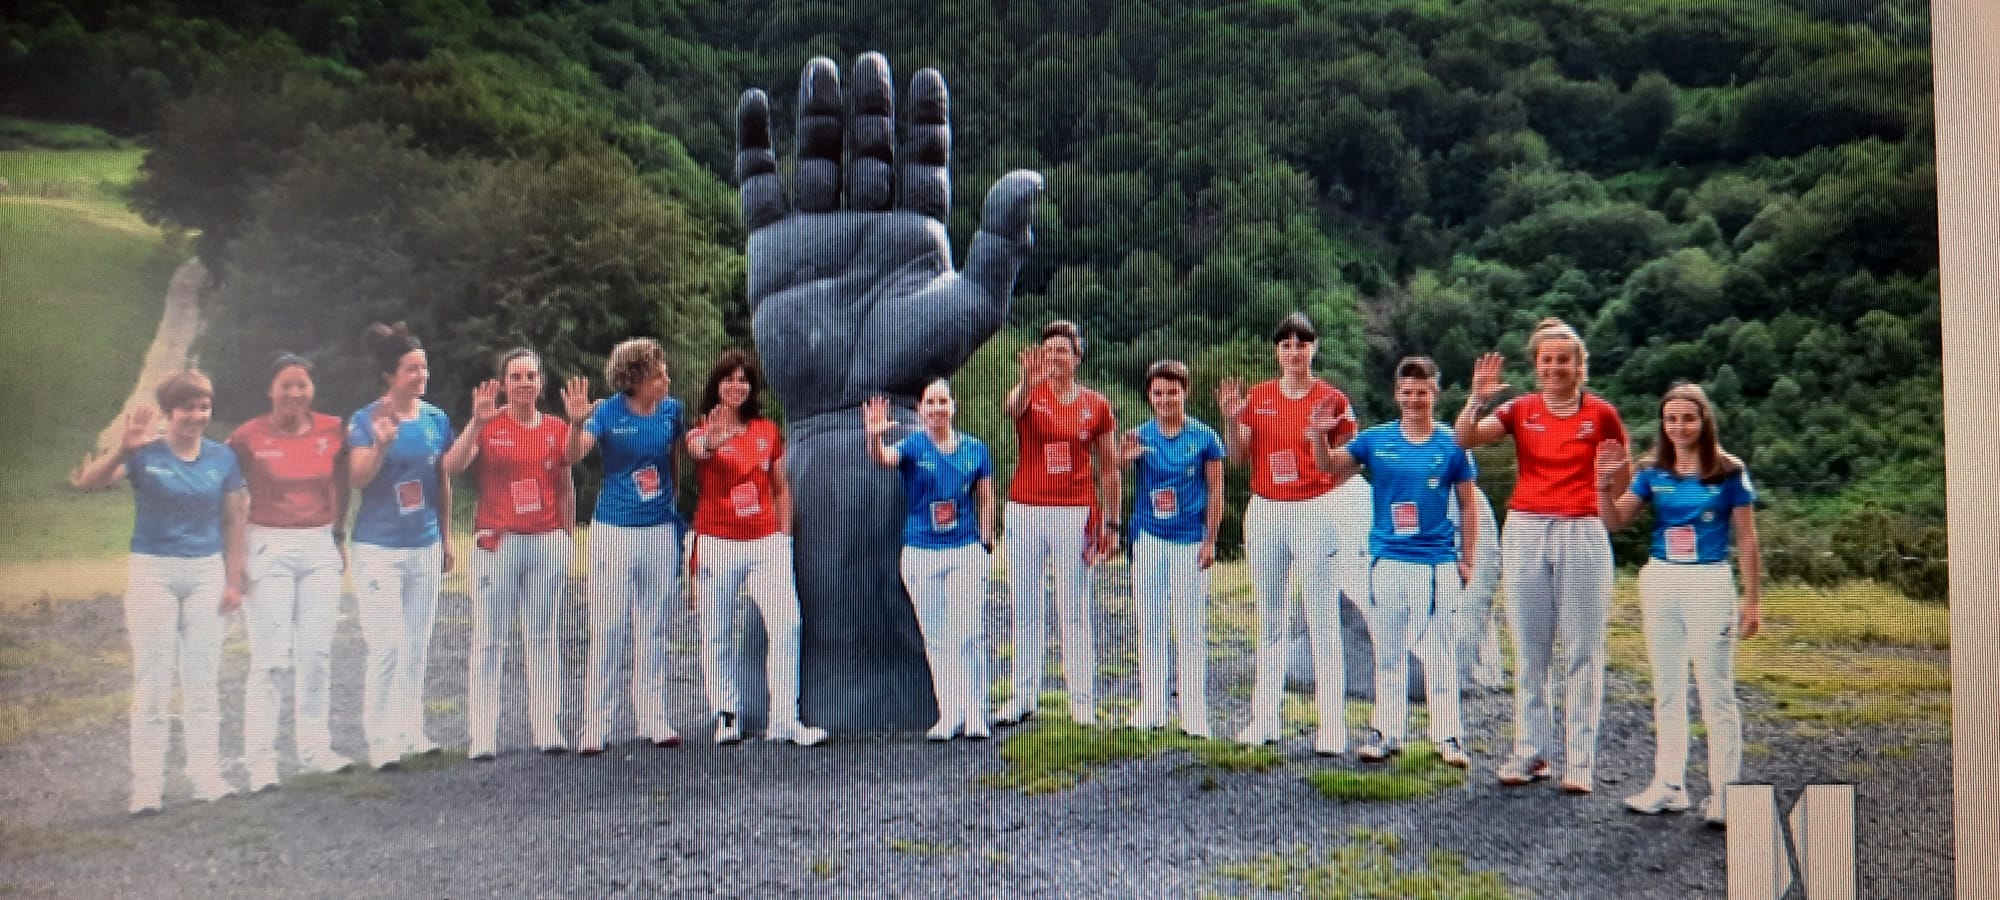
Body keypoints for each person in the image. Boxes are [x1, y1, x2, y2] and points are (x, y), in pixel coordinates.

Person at [1455, 317, 1628, 793]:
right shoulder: (1520, 409)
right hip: (1527, 526)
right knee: (1531, 651)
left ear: (1580, 365)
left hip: (1582, 529)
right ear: (1536, 365)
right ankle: (1530, 752)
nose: (1554, 368)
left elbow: (1622, 485)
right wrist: (1477, 398)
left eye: (1563, 360)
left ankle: (1579, 760)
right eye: (1546, 360)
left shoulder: (1602, 414)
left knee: (1582, 652)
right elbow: (1464, 439)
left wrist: (1608, 479)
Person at [72, 370, 247, 813]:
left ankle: (205, 775)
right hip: (154, 571)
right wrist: (121, 451)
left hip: (206, 571)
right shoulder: (144, 452)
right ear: (171, 412)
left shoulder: (222, 458)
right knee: (153, 681)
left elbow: (234, 520)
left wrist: (233, 579)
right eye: (188, 407)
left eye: (204, 406)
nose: (197, 415)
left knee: (202, 680)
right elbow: (88, 483)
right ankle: (147, 786)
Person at [1598, 383, 1762, 827]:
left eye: (1687, 418)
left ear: (1703, 420)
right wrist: (1601, 485)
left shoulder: (1728, 471)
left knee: (1715, 690)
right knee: (1668, 688)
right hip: (1662, 578)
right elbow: (1615, 521)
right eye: (1671, 419)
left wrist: (1751, 602)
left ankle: (1725, 793)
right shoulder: (1652, 470)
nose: (1679, 427)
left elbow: (1746, 539)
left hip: (1709, 581)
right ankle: (1669, 785)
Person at [1309, 357, 1476, 769]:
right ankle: (1386, 731)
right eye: (1407, 392)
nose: (1415, 399)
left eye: (1422, 392)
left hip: (1437, 563)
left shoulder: (1451, 443)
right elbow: (1330, 467)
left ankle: (1448, 736)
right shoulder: (1376, 440)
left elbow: (1468, 504)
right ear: (1397, 394)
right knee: (1388, 651)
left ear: (1435, 394)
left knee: (1439, 650)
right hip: (1387, 560)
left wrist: (1467, 558)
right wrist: (1317, 436)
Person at [1215, 312, 1366, 754]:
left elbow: (1350, 460)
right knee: (1271, 619)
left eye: (1302, 344)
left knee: (1321, 616)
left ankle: (1332, 727)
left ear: (1313, 348)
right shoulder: (1259, 396)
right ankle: (1265, 719)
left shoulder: (1332, 398)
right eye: (1286, 345)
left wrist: (1322, 491)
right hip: (1265, 509)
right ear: (1276, 351)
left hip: (1312, 509)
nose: (1294, 352)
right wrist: (1229, 416)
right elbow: (1238, 456)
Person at [686, 350, 828, 747]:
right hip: (717, 542)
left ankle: (785, 718)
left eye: (743, 380)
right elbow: (699, 450)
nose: (737, 386)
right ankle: (726, 714)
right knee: (716, 631)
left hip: (765, 541)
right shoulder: (702, 428)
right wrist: (712, 442)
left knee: (787, 624)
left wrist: (783, 537)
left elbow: (781, 487)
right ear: (716, 385)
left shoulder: (766, 430)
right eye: (729, 379)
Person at [227, 353, 353, 790]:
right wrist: (236, 556)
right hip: (268, 544)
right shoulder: (247, 437)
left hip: (318, 544)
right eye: (286, 385)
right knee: (271, 658)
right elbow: (226, 492)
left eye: (302, 385)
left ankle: (314, 749)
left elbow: (342, 481)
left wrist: (338, 536)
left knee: (316, 654)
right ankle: (261, 760)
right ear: (270, 389)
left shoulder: (333, 429)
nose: (295, 394)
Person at [444, 348, 575, 760]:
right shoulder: (489, 424)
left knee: (543, 635)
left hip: (545, 540)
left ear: (541, 382)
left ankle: (548, 726)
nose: (524, 383)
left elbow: (567, 486)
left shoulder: (555, 428)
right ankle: (482, 734)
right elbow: (452, 465)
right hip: (498, 541)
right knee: (489, 639)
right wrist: (476, 422)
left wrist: (567, 538)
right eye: (516, 376)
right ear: (504, 383)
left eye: (530, 376)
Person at [562, 338, 687, 754]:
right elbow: (572, 456)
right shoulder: (608, 412)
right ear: (634, 379)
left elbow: (673, 460)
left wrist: (671, 506)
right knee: (610, 625)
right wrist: (577, 422)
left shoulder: (673, 410)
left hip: (659, 529)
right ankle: (595, 724)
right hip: (614, 530)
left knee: (654, 625)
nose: (666, 378)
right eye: (658, 373)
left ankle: (653, 715)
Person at [995, 320, 1120, 727]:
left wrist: (1112, 523)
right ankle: (1022, 697)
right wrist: (1026, 382)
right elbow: (1011, 409)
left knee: (1075, 607)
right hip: (1027, 507)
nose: (1054, 358)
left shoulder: (1095, 405)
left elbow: (1110, 467)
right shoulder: (1030, 394)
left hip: (1075, 510)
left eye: (1062, 351)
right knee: (1026, 604)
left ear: (1077, 357)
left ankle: (1081, 702)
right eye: (1048, 351)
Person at [347, 322, 455, 770]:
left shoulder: (436, 420)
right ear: (390, 375)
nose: (421, 375)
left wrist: (446, 538)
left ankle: (412, 729)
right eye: (412, 369)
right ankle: (380, 740)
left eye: (424, 367)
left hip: (424, 545)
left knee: (416, 642)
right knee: (387, 644)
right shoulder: (366, 419)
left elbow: (442, 480)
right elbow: (358, 478)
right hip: (379, 548)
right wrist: (379, 445)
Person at [862, 380, 997, 741]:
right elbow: (883, 459)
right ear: (920, 409)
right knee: (935, 636)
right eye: (930, 402)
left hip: (964, 550)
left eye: (943, 401)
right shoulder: (912, 445)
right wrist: (874, 436)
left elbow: (985, 496)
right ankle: (948, 712)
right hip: (922, 552)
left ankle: (976, 713)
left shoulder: (975, 448)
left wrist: (986, 538)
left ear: (954, 405)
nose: (937, 408)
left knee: (968, 633)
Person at [1118, 360, 1225, 738]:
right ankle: (1152, 706)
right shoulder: (1139, 436)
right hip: (1150, 537)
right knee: (1151, 622)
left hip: (1189, 539)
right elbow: (1110, 468)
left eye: (1173, 392)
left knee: (1191, 625)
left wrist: (1211, 539)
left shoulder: (1205, 437)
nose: (1165, 399)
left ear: (1186, 393)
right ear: (1149, 396)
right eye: (1158, 393)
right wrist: (1120, 459)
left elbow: (1216, 491)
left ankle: (1194, 712)